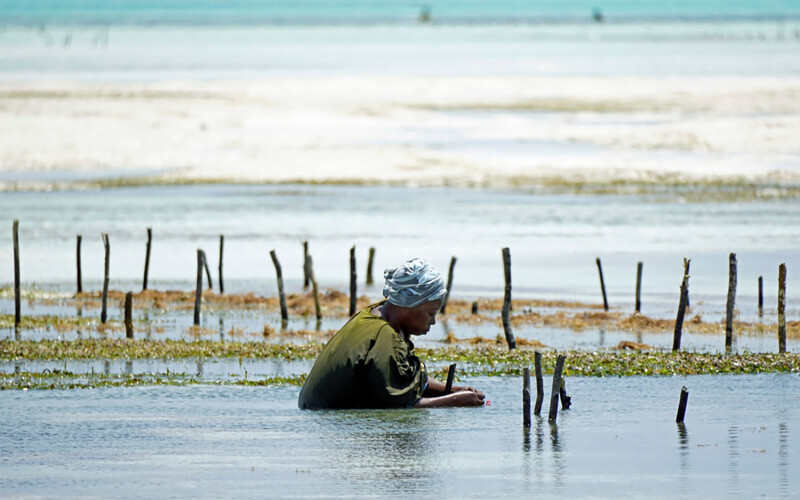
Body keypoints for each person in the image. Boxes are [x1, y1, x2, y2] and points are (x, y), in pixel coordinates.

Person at [298, 258, 485, 410]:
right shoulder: (384, 338)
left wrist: (450, 389)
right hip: (327, 417)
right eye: (431, 313)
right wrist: (455, 401)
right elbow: (401, 405)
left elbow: (402, 377)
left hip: (315, 410)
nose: (433, 321)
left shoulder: (375, 314)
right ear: (410, 305)